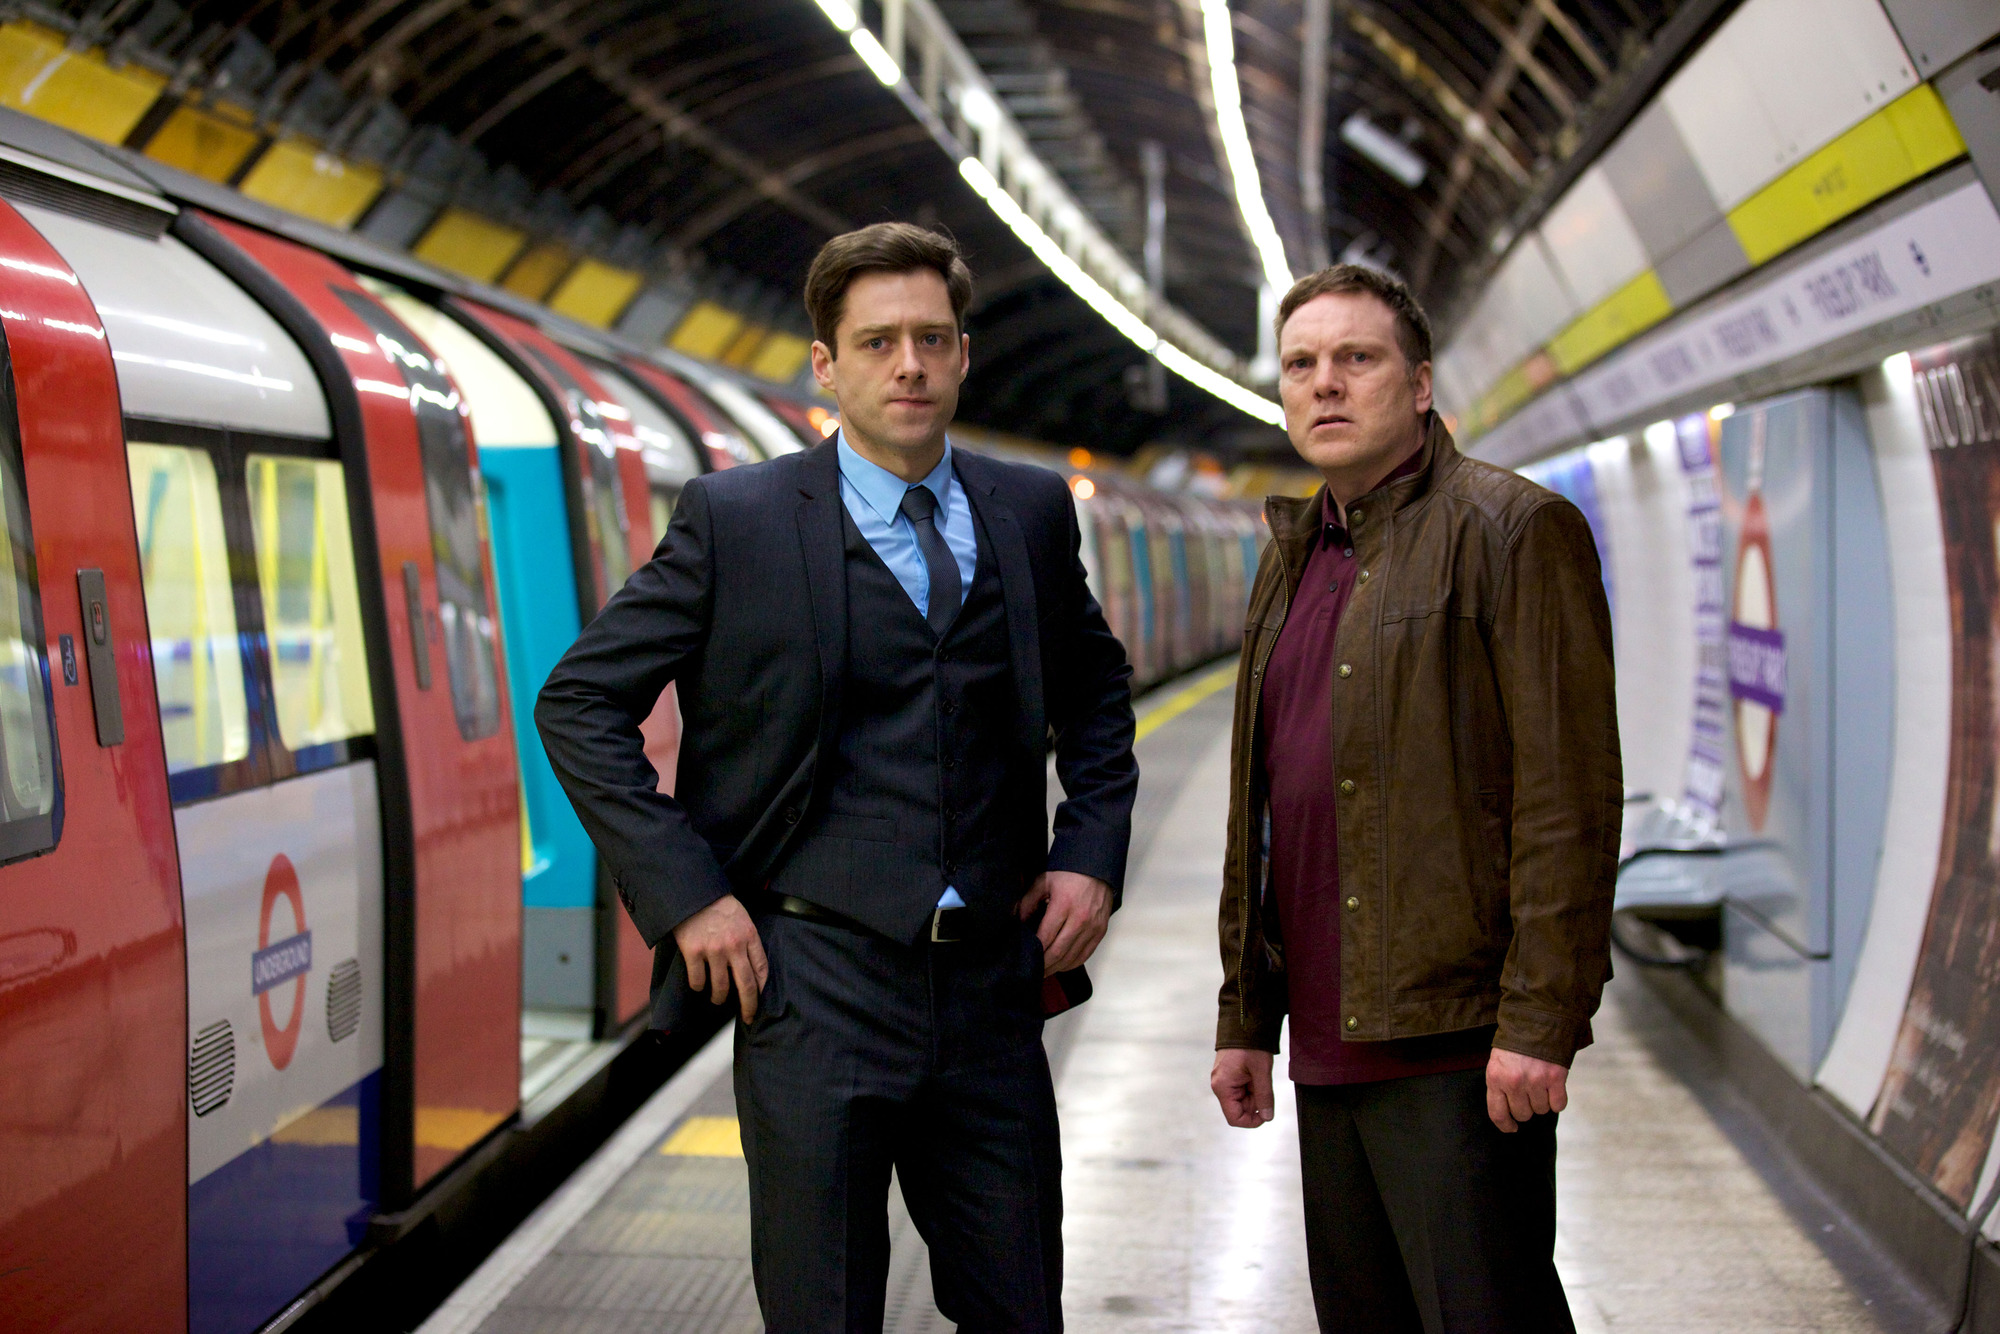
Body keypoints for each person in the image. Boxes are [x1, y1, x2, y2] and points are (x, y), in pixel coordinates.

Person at [535, 221, 1137, 1333]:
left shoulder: (1030, 511)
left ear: (963, 354)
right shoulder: (738, 520)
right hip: (812, 986)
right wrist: (688, 895)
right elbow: (577, 702)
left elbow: (1097, 696)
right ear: (826, 364)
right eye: (876, 343)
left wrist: (1089, 854)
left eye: (931, 339)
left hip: (991, 992)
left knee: (1019, 1310)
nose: (908, 365)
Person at [1208, 264, 1620, 1332]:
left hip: (1457, 1044)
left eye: (1358, 358)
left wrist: (1541, 1021)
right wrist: (1246, 1014)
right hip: (1327, 1041)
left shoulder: (1511, 531)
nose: (1325, 383)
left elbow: (1568, 802)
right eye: (1301, 364)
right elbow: (1262, 808)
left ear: (1421, 383)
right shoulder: (1292, 554)